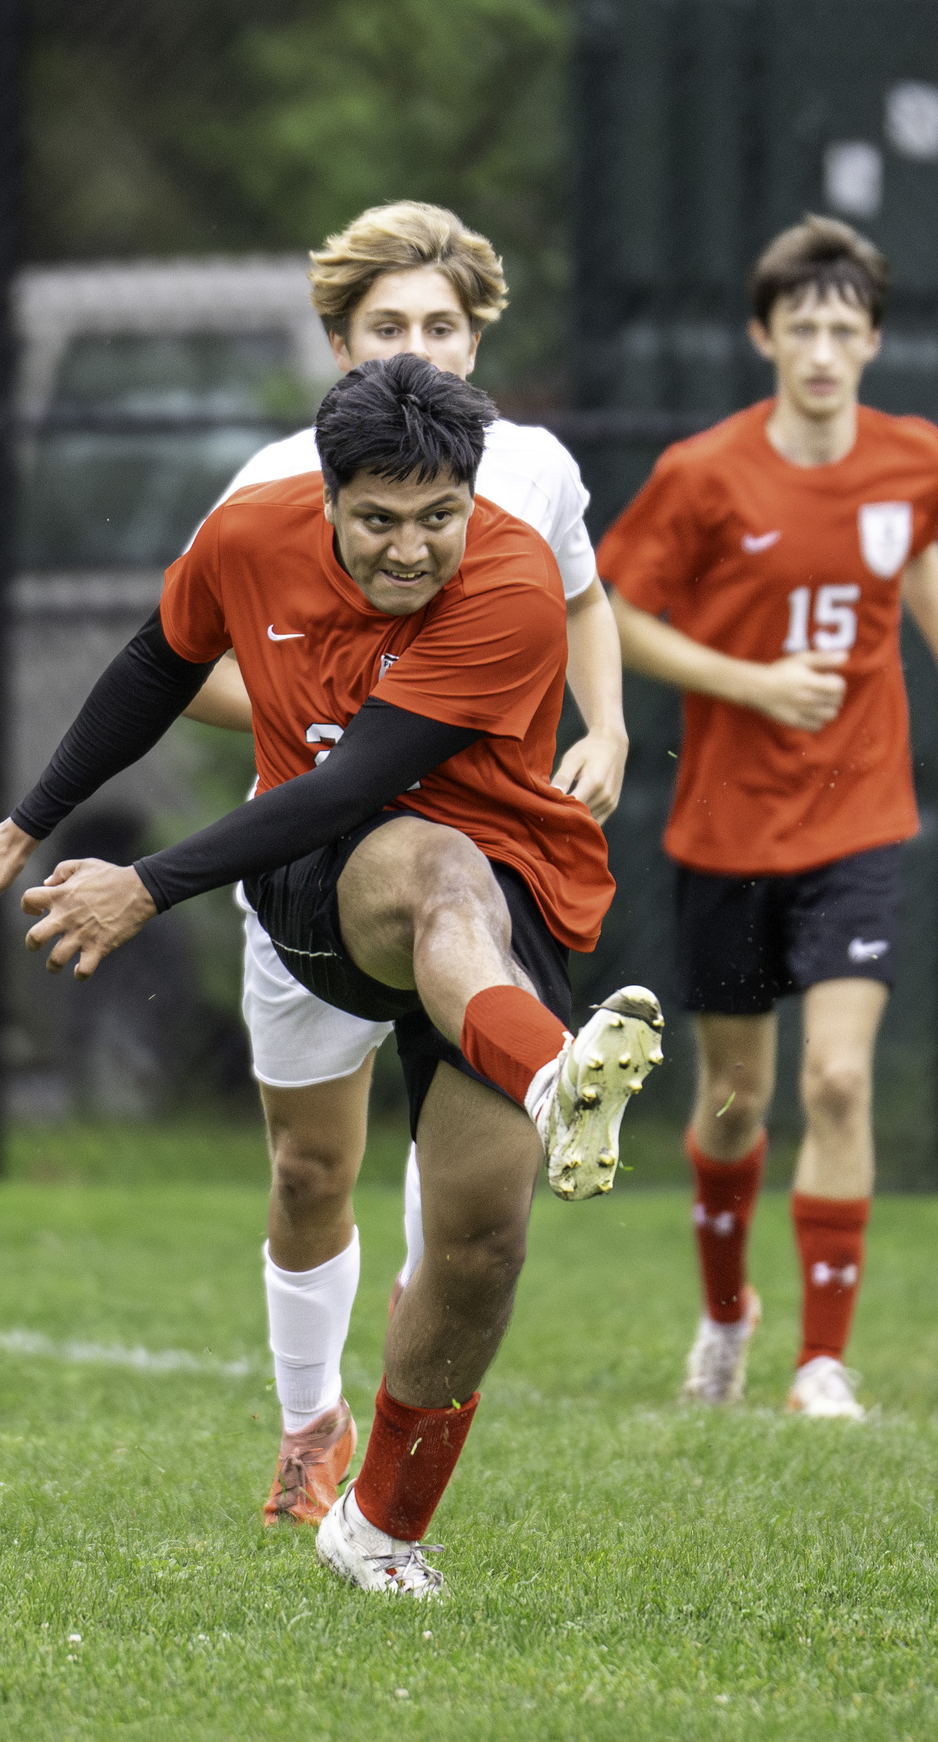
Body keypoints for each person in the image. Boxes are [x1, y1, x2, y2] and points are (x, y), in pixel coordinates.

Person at [0, 354, 663, 1597]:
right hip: (328, 876)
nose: (413, 548)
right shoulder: (248, 534)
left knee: (482, 1241)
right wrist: (26, 826)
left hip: (507, 888)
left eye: (439, 516)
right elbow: (158, 669)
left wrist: (147, 878)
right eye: (379, 519)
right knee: (430, 874)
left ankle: (380, 1530)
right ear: (325, 494)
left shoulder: (513, 580)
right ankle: (551, 1073)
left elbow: (360, 769)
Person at [178, 201, 628, 1528]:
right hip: (304, 850)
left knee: (466, 1174)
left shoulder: (532, 466)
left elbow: (585, 594)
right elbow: (189, 659)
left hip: (471, 852)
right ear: (337, 339)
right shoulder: (271, 485)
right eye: (389, 326)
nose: (419, 345)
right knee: (313, 1165)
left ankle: (391, 1484)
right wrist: (321, 734)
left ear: (478, 335)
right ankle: (309, 1424)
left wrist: (606, 725)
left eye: (442, 324)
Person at [596, 216, 938, 1418]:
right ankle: (728, 1315)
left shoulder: (913, 456)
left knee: (835, 1082)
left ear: (875, 341)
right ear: (764, 335)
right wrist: (751, 681)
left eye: (845, 329)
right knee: (733, 1104)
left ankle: (823, 1361)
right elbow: (617, 611)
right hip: (727, 828)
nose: (823, 351)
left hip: (862, 811)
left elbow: (914, 559)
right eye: (801, 328)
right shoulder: (705, 473)